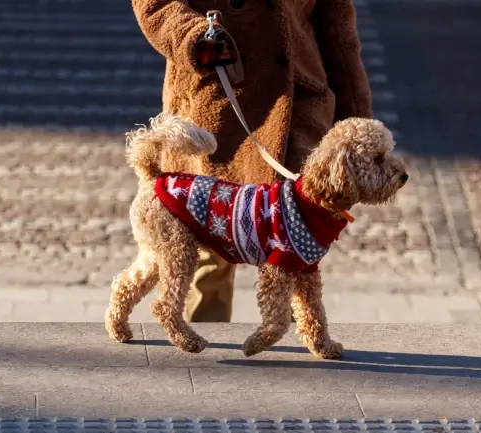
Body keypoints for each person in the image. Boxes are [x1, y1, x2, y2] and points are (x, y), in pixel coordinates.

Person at [131, 0, 373, 322]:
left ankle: (288, 355)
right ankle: (210, 361)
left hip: (295, 109)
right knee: (207, 259)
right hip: (213, 97)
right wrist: (192, 35)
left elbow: (339, 29)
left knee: (295, 251)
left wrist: (355, 119)